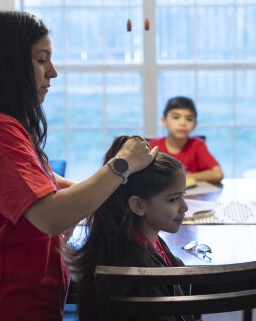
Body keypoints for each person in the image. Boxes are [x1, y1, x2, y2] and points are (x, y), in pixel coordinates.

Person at [0, 10, 158, 321]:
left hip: (28, 300)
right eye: (42, 59)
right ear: (9, 66)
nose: (52, 72)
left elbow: (53, 184)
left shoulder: (7, 126)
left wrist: (132, 190)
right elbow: (50, 215)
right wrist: (120, 166)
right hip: (2, 306)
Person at [67, 135, 194, 321]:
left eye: (183, 195)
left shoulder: (136, 241)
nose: (184, 207)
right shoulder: (140, 273)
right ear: (138, 205)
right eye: (173, 199)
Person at [149, 96, 223, 184]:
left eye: (189, 119)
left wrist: (182, 176)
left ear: (195, 124)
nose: (183, 123)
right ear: (164, 121)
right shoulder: (153, 146)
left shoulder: (197, 145)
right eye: (176, 117)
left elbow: (218, 174)